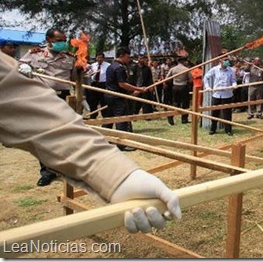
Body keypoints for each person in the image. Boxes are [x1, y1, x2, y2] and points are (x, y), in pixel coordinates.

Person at [1, 51, 181, 233]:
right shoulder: (116, 68)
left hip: (59, 101)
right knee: (120, 119)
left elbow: (29, 108)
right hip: (109, 95)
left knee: (115, 118)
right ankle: (117, 144)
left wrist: (117, 178)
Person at [18, 28, 76, 187]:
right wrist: (23, 68)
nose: (62, 43)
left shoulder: (70, 58)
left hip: (63, 97)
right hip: (42, 97)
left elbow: (75, 79)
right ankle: (47, 171)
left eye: (64, 40)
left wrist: (80, 93)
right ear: (49, 40)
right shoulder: (34, 54)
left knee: (64, 134)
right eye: (58, 40)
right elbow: (18, 68)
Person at [104, 47, 148, 151]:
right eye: (127, 57)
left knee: (109, 119)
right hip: (118, 97)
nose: (129, 59)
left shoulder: (111, 66)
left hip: (109, 95)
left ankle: (104, 140)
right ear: (121, 56)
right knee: (121, 120)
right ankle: (122, 144)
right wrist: (138, 89)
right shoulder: (119, 68)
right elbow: (122, 84)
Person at [203, 55, 237, 136]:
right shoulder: (215, 69)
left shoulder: (231, 70)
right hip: (216, 95)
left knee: (227, 113)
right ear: (220, 60)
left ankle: (228, 130)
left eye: (228, 60)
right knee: (215, 113)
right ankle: (213, 129)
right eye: (225, 60)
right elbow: (206, 77)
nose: (227, 62)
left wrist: (234, 84)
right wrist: (207, 87)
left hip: (227, 95)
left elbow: (233, 80)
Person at [165, 57, 192, 125]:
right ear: (183, 61)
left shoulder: (173, 69)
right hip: (183, 87)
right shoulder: (186, 69)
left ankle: (170, 115)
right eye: (186, 61)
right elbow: (191, 80)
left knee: (175, 103)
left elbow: (167, 78)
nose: (186, 62)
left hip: (175, 87)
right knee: (185, 103)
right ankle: (184, 119)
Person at [85, 52, 110, 119]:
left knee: (103, 101)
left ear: (103, 58)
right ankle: (93, 115)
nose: (99, 59)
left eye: (101, 57)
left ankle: (105, 116)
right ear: (96, 58)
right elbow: (88, 75)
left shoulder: (108, 65)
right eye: (98, 57)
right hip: (94, 84)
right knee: (93, 101)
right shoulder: (92, 65)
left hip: (103, 84)